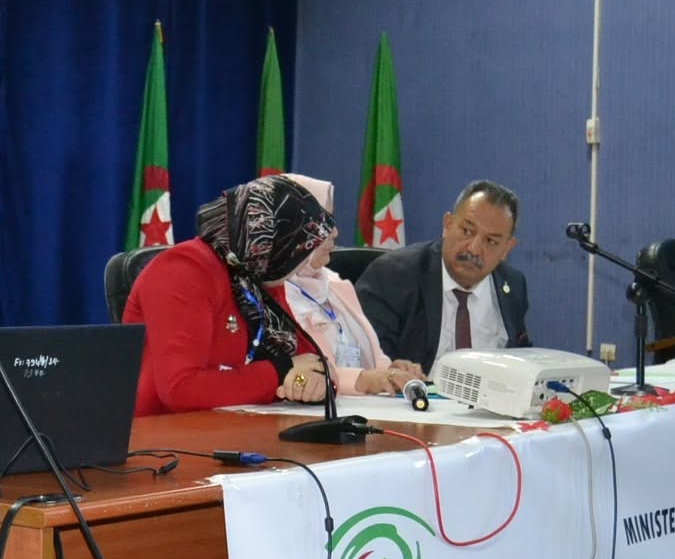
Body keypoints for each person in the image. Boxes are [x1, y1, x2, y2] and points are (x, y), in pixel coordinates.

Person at [121, 174, 335, 415]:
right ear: (268, 244)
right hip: (161, 430)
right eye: (299, 251)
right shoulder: (182, 271)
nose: (303, 263)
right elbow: (180, 389)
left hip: (238, 427)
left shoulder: (258, 274)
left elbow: (310, 363)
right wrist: (280, 372)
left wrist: (309, 383)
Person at [355, 179, 532, 374]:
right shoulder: (393, 276)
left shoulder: (513, 285)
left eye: (491, 241)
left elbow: (523, 359)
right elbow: (371, 363)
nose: (474, 249)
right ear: (447, 225)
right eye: (467, 231)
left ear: (506, 248)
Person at [278, 176, 427, 396]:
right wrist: (363, 380)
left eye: (332, 220)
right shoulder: (267, 294)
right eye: (322, 221)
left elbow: (373, 360)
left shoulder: (336, 285)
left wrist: (392, 371)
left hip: (366, 410)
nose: (334, 232)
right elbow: (292, 373)